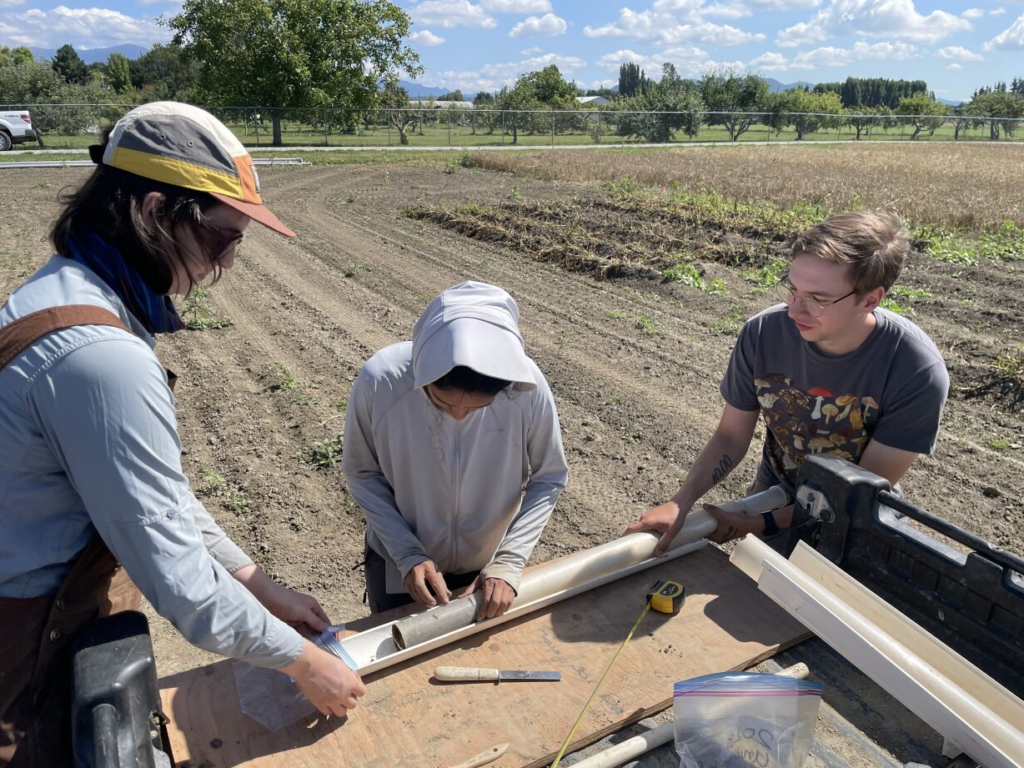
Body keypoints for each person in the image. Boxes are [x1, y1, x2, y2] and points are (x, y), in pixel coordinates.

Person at [0, 102, 364, 767]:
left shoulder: (79, 292)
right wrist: (304, 663)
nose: (227, 263)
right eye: (225, 238)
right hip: (21, 641)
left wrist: (257, 582)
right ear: (154, 210)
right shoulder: (98, 355)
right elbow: (181, 582)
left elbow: (153, 491)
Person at [626, 211, 949, 553]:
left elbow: (859, 492)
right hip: (773, 489)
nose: (795, 310)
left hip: (854, 518)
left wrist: (761, 523)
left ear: (870, 299)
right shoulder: (764, 333)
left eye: (818, 299)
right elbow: (731, 436)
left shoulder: (915, 371)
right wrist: (681, 501)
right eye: (793, 290)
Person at [343, 282, 569, 620]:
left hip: (485, 566)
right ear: (423, 372)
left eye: (477, 408)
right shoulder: (382, 381)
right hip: (398, 560)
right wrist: (407, 553)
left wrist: (508, 561)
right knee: (397, 650)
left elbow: (550, 476)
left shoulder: (527, 390)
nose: (458, 415)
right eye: (442, 403)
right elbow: (362, 473)